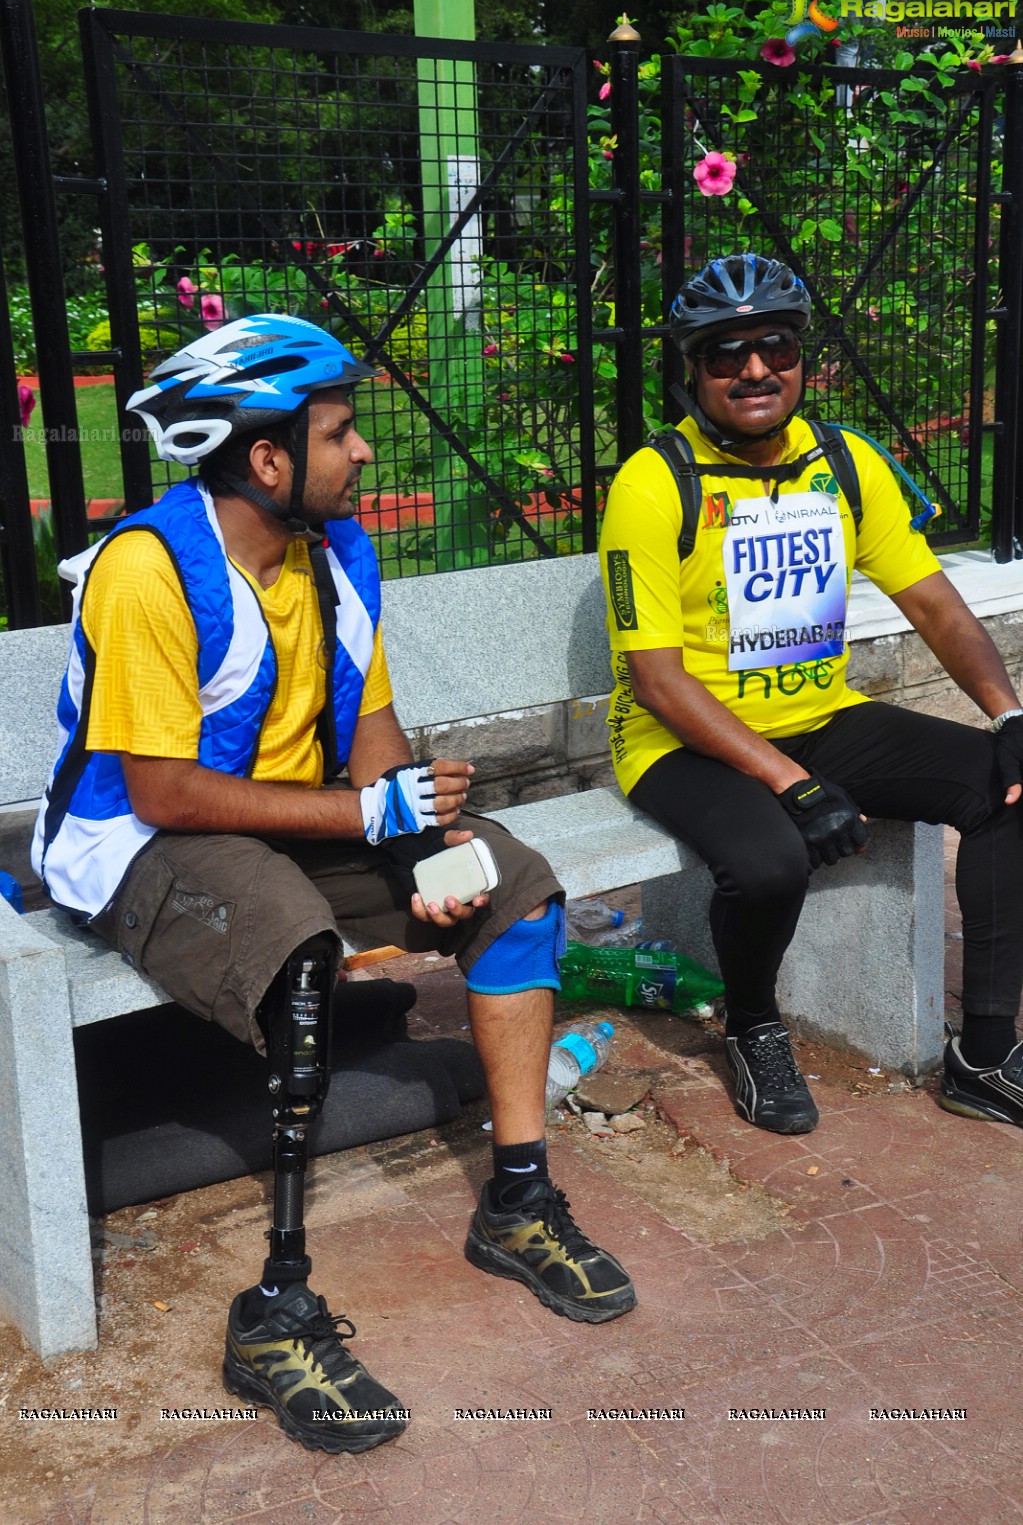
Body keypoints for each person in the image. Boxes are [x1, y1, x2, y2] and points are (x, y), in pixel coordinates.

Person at [33, 314, 635, 1457]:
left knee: (513, 881)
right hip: (133, 841)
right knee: (296, 943)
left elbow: (368, 723)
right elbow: (163, 790)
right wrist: (370, 815)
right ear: (266, 459)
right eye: (341, 431)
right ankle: (278, 1309)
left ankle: (517, 1199)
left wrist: (416, 842)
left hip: (287, 817)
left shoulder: (333, 553)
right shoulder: (148, 569)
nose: (362, 452)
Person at [598, 252, 1023, 1138]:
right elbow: (656, 679)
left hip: (817, 719)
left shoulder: (842, 461)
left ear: (803, 359)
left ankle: (982, 1056)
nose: (754, 369)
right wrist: (788, 783)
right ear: (691, 373)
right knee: (768, 862)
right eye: (724, 354)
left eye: (774, 347)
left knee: (1007, 784)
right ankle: (752, 1024)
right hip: (681, 742)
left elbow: (935, 603)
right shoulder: (650, 484)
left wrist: (1009, 715)